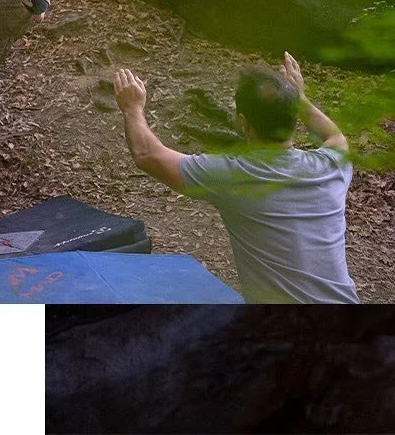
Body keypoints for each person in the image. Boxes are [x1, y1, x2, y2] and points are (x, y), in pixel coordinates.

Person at [112, 55, 359, 304]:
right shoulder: (332, 167)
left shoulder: (234, 177)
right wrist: (300, 99)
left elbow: (148, 155)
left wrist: (132, 109)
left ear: (243, 122)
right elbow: (334, 135)